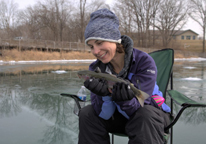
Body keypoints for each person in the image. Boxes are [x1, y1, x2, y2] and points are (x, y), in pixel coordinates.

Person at [78, 8, 171, 144]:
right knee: (87, 114)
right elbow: (104, 114)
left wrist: (125, 100)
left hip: (150, 114)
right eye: (91, 47)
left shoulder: (144, 61)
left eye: (99, 43)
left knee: (144, 115)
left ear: (114, 40)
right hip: (117, 116)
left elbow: (141, 107)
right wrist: (105, 94)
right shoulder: (95, 68)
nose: (95, 51)